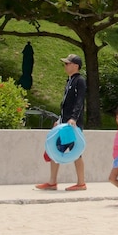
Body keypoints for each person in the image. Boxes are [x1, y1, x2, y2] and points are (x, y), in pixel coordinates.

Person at [36, 54, 87, 191]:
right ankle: (52, 182)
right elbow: (65, 105)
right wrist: (60, 119)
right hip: (64, 123)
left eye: (67, 64)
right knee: (56, 150)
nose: (65, 66)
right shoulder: (69, 81)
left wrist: (74, 119)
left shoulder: (79, 81)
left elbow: (79, 101)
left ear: (75, 66)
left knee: (76, 152)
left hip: (72, 124)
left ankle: (81, 183)